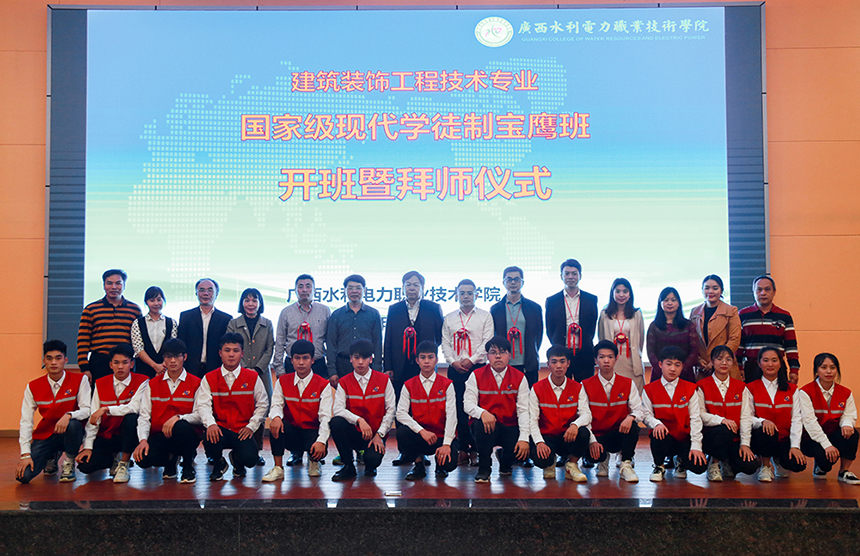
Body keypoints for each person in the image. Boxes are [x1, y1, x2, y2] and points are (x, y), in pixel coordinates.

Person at [16, 340, 91, 484]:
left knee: (73, 424)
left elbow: (87, 410)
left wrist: (69, 415)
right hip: (46, 435)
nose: (53, 362)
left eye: (58, 358)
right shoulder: (33, 386)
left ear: (65, 360)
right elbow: (26, 421)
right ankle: (52, 456)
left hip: (70, 432)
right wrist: (25, 455)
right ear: (44, 361)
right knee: (23, 476)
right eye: (49, 358)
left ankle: (69, 462)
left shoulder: (80, 380)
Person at [196, 333, 269, 481]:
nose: (231, 354)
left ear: (242, 354)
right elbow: (203, 405)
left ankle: (237, 460)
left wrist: (251, 426)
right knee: (209, 437)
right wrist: (211, 424)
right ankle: (219, 463)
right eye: (227, 350)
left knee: (250, 459)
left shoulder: (252, 377)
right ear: (220, 353)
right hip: (220, 428)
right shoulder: (209, 378)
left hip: (242, 429)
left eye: (235, 350)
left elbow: (263, 404)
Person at [132, 338, 203, 484]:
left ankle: (188, 466)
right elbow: (144, 416)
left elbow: (200, 415)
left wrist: (178, 417)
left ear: (185, 357)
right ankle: (170, 461)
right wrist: (143, 440)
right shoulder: (152, 384)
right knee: (143, 459)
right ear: (163, 358)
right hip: (160, 435)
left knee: (181, 426)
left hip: (186, 434)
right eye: (168, 356)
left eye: (177, 356)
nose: (173, 361)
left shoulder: (196, 383)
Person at [77, 343, 148, 483]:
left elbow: (134, 407)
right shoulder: (100, 383)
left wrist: (106, 409)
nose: (120, 367)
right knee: (85, 466)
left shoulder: (143, 381)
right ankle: (113, 459)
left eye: (125, 362)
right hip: (107, 435)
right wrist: (88, 447)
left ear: (132, 364)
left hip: (128, 435)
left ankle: (124, 463)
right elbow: (94, 417)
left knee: (131, 418)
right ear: (110, 365)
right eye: (116, 363)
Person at [441, 279, 495, 466]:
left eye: (469, 293)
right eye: (462, 293)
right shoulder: (449, 318)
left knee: (478, 408)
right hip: (455, 369)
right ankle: (463, 449)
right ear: (457, 295)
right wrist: (453, 362)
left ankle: (478, 450)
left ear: (476, 295)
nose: (466, 296)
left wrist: (471, 360)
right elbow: (445, 343)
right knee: (458, 410)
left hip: (478, 368)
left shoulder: (485, 316)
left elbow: (487, 342)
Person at [263, 339, 333, 481]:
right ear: (291, 360)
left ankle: (314, 462)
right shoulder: (283, 381)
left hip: (312, 432)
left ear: (312, 360)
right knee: (276, 424)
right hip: (292, 432)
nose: (301, 362)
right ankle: (278, 468)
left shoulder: (323, 384)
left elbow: (325, 416)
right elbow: (276, 405)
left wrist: (321, 441)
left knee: (319, 437)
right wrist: (275, 417)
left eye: (305, 358)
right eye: (297, 358)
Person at [464, 336, 530, 483]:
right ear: (487, 356)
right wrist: (483, 413)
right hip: (487, 425)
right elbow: (467, 404)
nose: (498, 356)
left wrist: (524, 438)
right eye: (493, 352)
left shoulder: (520, 377)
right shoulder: (476, 375)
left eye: (502, 352)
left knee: (523, 450)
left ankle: (505, 460)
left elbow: (524, 410)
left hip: (511, 425)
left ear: (509, 355)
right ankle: (484, 469)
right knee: (481, 426)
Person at [329, 339, 396, 482]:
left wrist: (379, 435)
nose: (360, 362)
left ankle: (370, 465)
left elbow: (391, 410)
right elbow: (338, 409)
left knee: (372, 459)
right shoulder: (344, 382)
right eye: (356, 357)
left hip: (375, 435)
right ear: (351, 359)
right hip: (354, 432)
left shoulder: (384, 380)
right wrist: (359, 420)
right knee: (336, 422)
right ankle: (348, 466)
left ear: (371, 359)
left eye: (365, 358)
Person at [740, 346, 807, 482]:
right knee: (767, 430)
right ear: (759, 363)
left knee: (797, 464)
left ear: (780, 363)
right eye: (766, 360)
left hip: (784, 439)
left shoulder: (792, 389)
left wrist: (795, 446)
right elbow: (746, 417)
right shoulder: (750, 388)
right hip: (761, 437)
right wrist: (762, 421)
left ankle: (779, 460)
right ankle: (765, 466)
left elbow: (796, 419)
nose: (770, 364)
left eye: (774, 360)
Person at [642, 346, 708, 482]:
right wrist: (657, 424)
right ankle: (659, 466)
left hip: (684, 438)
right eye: (669, 364)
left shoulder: (690, 388)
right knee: (657, 432)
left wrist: (696, 446)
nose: (673, 369)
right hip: (664, 437)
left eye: (677, 365)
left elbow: (695, 418)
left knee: (699, 467)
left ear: (682, 366)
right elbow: (646, 415)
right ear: (660, 364)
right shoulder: (649, 389)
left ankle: (680, 461)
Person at [396, 341, 459, 480]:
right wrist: (421, 431)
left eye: (430, 357)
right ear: (417, 360)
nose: (426, 361)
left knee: (450, 463)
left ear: (436, 360)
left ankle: (440, 465)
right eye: (422, 357)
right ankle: (418, 464)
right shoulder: (409, 385)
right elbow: (400, 413)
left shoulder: (447, 384)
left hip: (441, 436)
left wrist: (446, 444)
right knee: (402, 432)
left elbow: (452, 416)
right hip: (421, 436)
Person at [697, 345, 760, 482]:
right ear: (712, 362)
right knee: (724, 430)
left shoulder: (741, 387)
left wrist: (745, 444)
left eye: (728, 359)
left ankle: (727, 462)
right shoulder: (702, 385)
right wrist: (721, 420)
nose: (724, 363)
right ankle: (714, 463)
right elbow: (700, 414)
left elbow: (745, 417)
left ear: (733, 362)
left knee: (750, 466)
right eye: (719, 359)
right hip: (712, 436)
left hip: (734, 438)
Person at [582, 340, 642, 483]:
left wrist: (631, 417)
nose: (606, 360)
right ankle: (602, 461)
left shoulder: (627, 383)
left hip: (618, 433)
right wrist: (592, 441)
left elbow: (639, 410)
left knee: (634, 426)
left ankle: (626, 464)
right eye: (602, 357)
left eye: (610, 357)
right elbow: (583, 415)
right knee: (588, 448)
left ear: (616, 359)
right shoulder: (585, 385)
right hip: (596, 437)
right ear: (596, 360)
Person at [529, 344, 591, 482]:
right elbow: (532, 420)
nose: (558, 366)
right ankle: (549, 463)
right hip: (547, 437)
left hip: (567, 436)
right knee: (540, 459)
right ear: (548, 364)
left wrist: (575, 425)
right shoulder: (537, 388)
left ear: (568, 363)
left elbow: (586, 414)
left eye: (562, 361)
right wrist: (539, 442)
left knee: (583, 432)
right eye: (554, 362)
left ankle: (571, 465)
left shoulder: (577, 387)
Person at [226, 287, 275, 461]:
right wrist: (245, 369)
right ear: (242, 303)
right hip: (239, 373)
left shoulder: (267, 323)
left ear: (260, 303)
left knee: (261, 411)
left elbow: (270, 349)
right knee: (242, 409)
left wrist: (257, 369)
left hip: (261, 373)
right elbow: (230, 347)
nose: (250, 304)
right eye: (247, 300)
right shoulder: (233, 323)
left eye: (254, 300)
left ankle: (256, 451)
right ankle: (240, 448)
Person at [798, 352, 859, 484]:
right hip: (810, 438)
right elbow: (810, 422)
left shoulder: (845, 392)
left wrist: (847, 424)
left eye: (832, 367)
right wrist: (827, 446)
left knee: (852, 434)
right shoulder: (805, 392)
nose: (828, 371)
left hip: (832, 433)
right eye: (823, 367)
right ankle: (820, 466)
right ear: (816, 370)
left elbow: (849, 414)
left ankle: (844, 472)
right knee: (825, 462)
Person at [77, 269, 142, 382]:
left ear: (124, 285)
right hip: (100, 362)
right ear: (104, 285)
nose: (114, 287)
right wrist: (84, 367)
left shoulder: (134, 310)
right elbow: (83, 340)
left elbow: (139, 341)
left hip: (126, 362)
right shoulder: (91, 309)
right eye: (109, 283)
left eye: (118, 283)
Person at [737, 275, 800, 384]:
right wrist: (739, 367)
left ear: (774, 291)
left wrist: (794, 369)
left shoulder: (784, 316)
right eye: (759, 289)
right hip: (751, 368)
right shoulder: (743, 315)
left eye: (767, 289)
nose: (763, 293)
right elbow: (739, 345)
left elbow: (791, 346)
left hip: (777, 367)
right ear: (753, 292)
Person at [545, 259, 599, 382]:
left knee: (586, 388)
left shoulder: (591, 299)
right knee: (564, 388)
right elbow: (550, 330)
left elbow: (592, 328)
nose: (571, 277)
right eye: (567, 273)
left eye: (574, 273)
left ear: (580, 276)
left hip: (584, 353)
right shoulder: (552, 301)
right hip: (562, 354)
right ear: (561, 276)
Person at [490, 266, 543, 387]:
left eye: (517, 279)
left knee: (529, 396)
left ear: (522, 282)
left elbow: (538, 336)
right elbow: (493, 335)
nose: (513, 282)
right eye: (509, 279)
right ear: (504, 283)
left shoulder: (534, 308)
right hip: (503, 364)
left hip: (527, 364)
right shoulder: (495, 309)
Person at [272, 274, 331, 381]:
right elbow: (280, 342)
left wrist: (331, 369)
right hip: (292, 364)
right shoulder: (286, 312)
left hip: (318, 365)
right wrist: (280, 369)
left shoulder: (324, 311)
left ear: (314, 290)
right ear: (295, 290)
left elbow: (330, 342)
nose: (304, 290)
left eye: (308, 286)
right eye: (300, 286)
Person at [327, 274, 383, 380]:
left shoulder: (374, 314)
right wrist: (332, 371)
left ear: (364, 290)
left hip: (367, 364)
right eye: (350, 288)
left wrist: (377, 369)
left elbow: (377, 344)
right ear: (345, 291)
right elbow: (331, 344)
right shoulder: (336, 315)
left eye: (358, 288)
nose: (354, 291)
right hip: (342, 365)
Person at [598, 278, 646, 393]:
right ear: (612, 293)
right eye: (618, 291)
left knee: (634, 395)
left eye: (625, 291)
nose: (621, 295)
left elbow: (641, 339)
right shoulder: (605, 314)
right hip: (613, 361)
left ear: (630, 294)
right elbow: (601, 338)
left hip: (631, 361)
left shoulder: (637, 314)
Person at [690, 274, 741, 380]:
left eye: (715, 288)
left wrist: (716, 361)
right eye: (707, 288)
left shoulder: (731, 311)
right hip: (702, 368)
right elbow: (691, 340)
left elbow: (734, 339)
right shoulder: (694, 312)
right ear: (702, 290)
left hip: (725, 366)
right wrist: (698, 360)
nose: (710, 291)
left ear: (721, 290)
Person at [178, 278, 232, 378]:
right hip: (190, 369)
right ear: (196, 293)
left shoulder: (226, 319)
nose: (206, 293)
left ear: (217, 293)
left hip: (216, 370)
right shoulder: (186, 316)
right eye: (202, 290)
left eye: (210, 290)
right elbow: (181, 344)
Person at [646, 287, 700, 383]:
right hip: (660, 375)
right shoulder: (654, 326)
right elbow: (651, 352)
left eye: (673, 300)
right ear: (660, 304)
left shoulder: (688, 325)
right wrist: (663, 372)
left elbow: (694, 350)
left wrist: (680, 370)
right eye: (666, 300)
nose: (669, 303)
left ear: (678, 303)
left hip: (685, 375)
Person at [130, 286, 177, 378]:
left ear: (163, 300)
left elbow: (173, 347)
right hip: (143, 369)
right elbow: (138, 348)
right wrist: (155, 366)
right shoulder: (138, 323)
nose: (156, 303)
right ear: (146, 302)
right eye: (152, 300)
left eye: (159, 300)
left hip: (166, 369)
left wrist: (163, 366)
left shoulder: (171, 322)